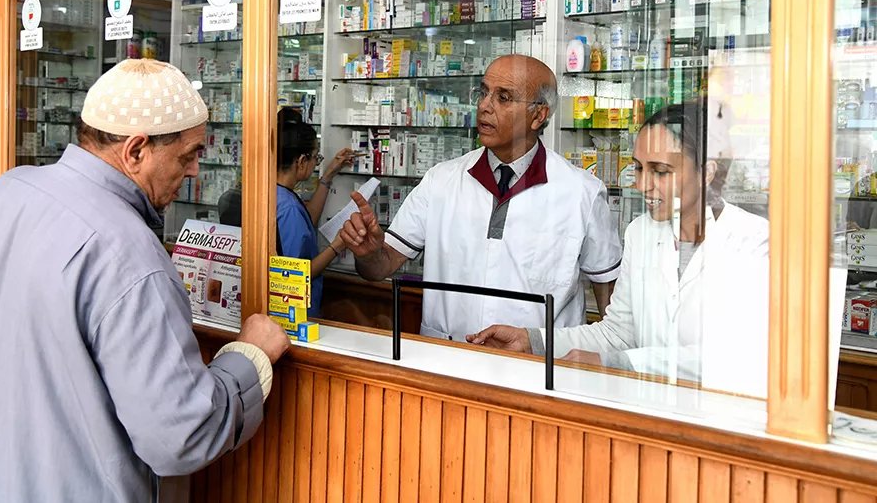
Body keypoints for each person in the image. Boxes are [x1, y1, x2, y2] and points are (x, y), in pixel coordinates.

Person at [0, 59, 290, 502]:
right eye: (189, 155)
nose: (196, 170)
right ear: (136, 150)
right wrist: (249, 356)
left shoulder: (8, 192)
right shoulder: (129, 255)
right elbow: (181, 435)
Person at [467, 101, 770, 397]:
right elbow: (619, 333)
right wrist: (532, 341)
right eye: (638, 168)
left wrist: (618, 364)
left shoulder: (753, 242)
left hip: (724, 420)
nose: (642, 185)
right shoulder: (642, 233)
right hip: (649, 410)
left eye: (661, 171)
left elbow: (734, 355)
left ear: (707, 173)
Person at [339, 54, 622, 342]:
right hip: (448, 361)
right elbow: (379, 269)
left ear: (539, 115)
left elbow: (610, 307)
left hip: (536, 371)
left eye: (504, 97)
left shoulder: (581, 193)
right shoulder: (442, 181)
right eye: (483, 92)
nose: (485, 106)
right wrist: (370, 252)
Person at [276, 119, 355, 316]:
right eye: (315, 158)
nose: (315, 163)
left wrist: (327, 176)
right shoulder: (289, 207)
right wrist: (338, 244)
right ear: (301, 161)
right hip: (293, 314)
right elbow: (298, 274)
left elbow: (306, 219)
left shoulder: (275, 194)